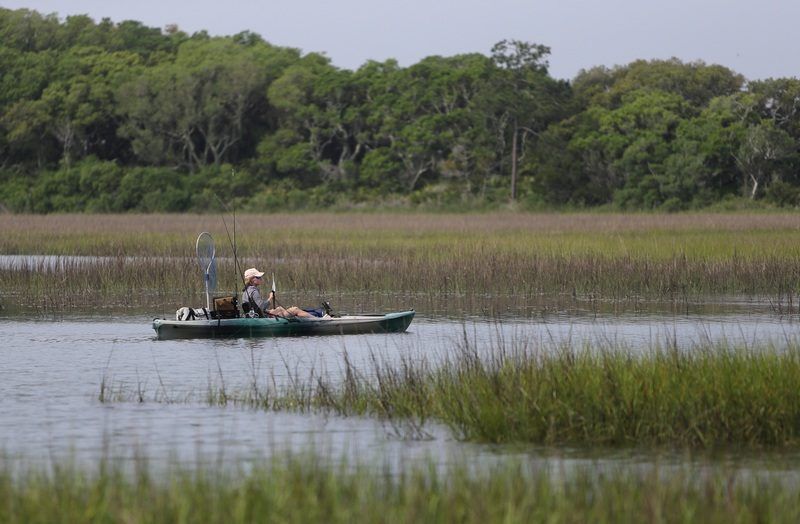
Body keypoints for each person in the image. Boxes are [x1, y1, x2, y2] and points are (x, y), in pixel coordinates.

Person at [241, 268, 315, 319]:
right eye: (258, 277)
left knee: (279, 308)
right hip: (263, 317)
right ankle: (317, 320)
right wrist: (270, 298)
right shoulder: (254, 291)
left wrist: (269, 311)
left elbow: (256, 307)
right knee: (295, 309)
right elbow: (262, 307)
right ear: (252, 279)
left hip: (258, 314)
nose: (261, 279)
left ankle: (297, 318)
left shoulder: (246, 290)